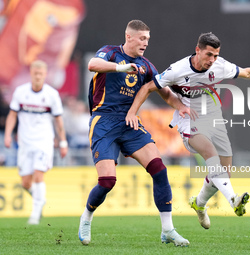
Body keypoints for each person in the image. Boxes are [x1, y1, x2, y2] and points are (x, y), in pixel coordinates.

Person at [126, 32, 250, 229]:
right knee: (210, 153)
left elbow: (247, 73)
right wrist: (133, 112)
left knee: (224, 172)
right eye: (209, 54)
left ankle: (199, 204)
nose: (212, 60)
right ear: (197, 50)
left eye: (216, 55)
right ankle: (234, 199)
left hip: (213, 119)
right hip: (189, 120)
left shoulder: (220, 66)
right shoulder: (178, 70)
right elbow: (149, 87)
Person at [79, 20, 191, 247]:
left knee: (159, 169)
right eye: (142, 38)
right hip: (104, 121)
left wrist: (182, 107)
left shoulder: (147, 66)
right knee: (108, 181)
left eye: (148, 39)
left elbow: (165, 93)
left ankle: (168, 230)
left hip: (130, 122)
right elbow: (92, 64)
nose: (146, 43)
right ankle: (87, 217)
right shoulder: (110, 53)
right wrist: (121, 68)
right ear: (128, 37)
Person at [4, 60, 68, 225]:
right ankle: (40, 199)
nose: (38, 76)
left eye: (40, 73)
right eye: (35, 73)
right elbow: (12, 115)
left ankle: (35, 213)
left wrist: (63, 142)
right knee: (26, 182)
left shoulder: (52, 95)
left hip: (44, 142)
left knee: (38, 174)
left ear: (45, 75)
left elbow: (58, 120)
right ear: (31, 74)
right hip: (25, 142)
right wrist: (8, 135)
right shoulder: (20, 92)